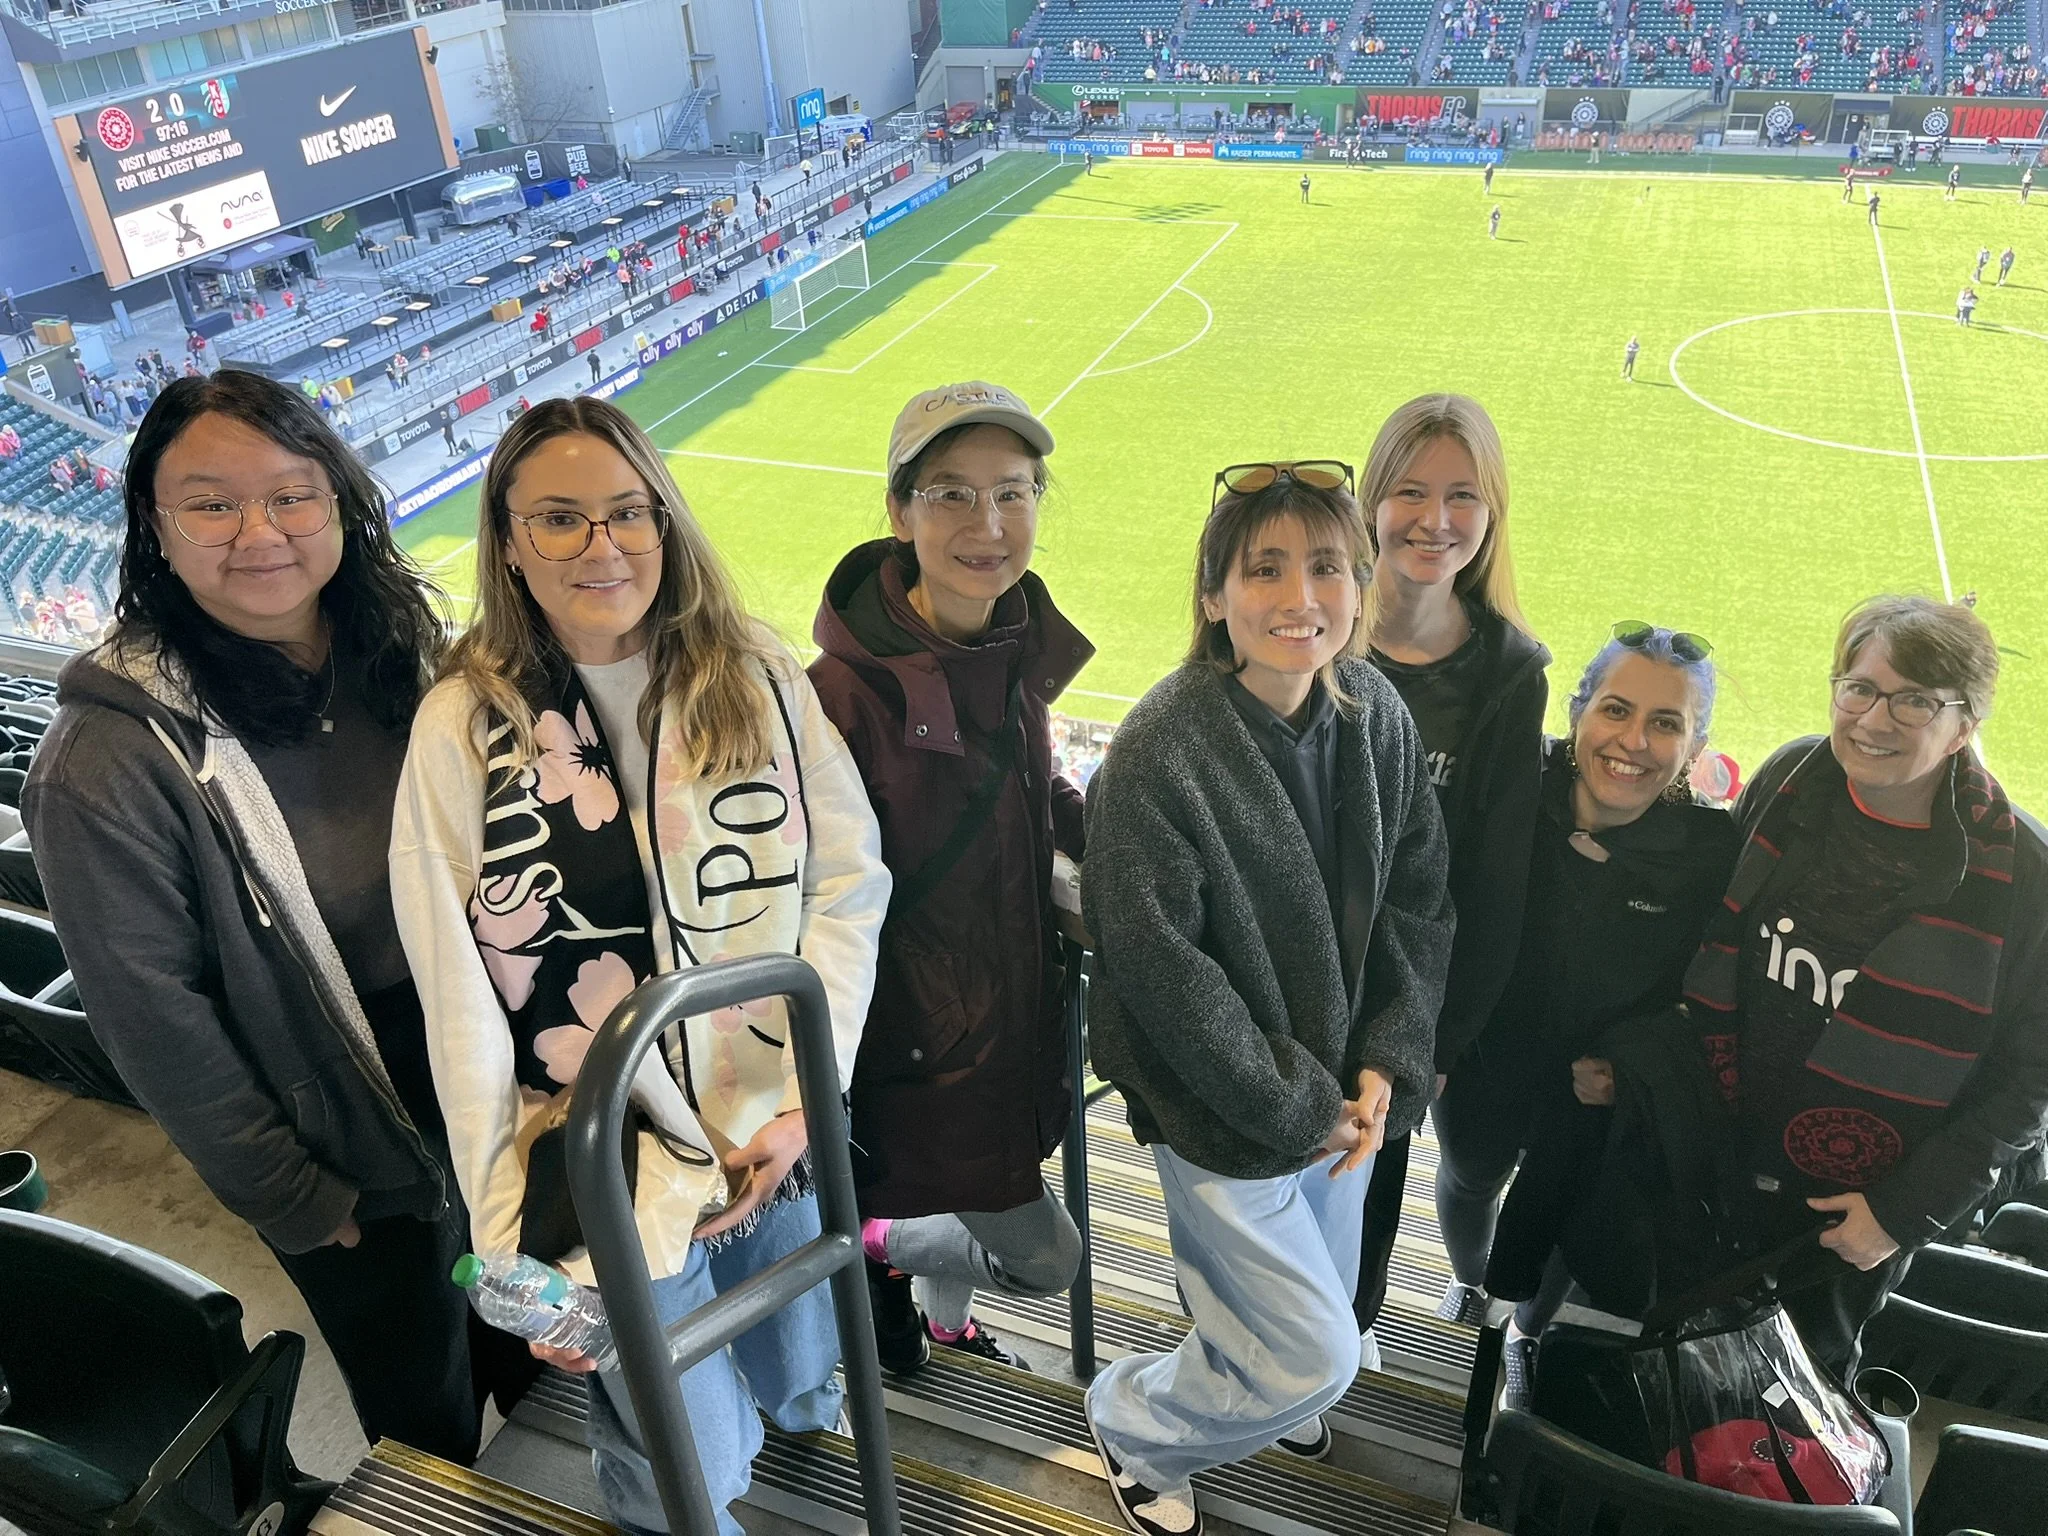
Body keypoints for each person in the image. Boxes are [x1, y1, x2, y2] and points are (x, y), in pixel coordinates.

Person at [389, 396, 891, 1536]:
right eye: (559, 520)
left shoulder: (753, 672)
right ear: (508, 540)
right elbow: (457, 996)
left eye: (628, 513)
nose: (601, 546)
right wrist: (507, 1241)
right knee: (686, 1458)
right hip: (608, 1164)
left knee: (801, 1366)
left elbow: (848, 881)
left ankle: (798, 1445)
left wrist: (818, 1093)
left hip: (772, 1124)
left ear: (665, 522)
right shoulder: (463, 726)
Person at [20, 371, 533, 1466]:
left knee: (537, 1342)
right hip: (335, 1130)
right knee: (424, 1402)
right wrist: (294, 1197)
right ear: (154, 529)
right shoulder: (105, 761)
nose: (259, 532)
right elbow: (153, 1018)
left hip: (486, 1074)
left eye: (292, 495)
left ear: (341, 502)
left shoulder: (397, 651)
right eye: (211, 503)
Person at [1080, 462, 1453, 1536]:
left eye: (1327, 566)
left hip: (1347, 1097)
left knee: (1307, 1319)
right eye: (1264, 569)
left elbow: (1418, 905)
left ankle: (1248, 1388)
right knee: (1314, 1354)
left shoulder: (1375, 711)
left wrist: (1384, 1058)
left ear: (1360, 581)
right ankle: (1136, 1424)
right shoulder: (1159, 750)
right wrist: (1293, 1102)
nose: (1300, 598)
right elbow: (1156, 967)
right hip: (1219, 1108)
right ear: (1212, 596)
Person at [1672, 596, 2048, 1378]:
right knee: (1667, 1344)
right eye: (1861, 688)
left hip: (1853, 1214)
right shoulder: (1791, 778)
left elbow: (2030, 1084)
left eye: (1916, 700)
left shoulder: (2026, 878)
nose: (1876, 718)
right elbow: (1714, 938)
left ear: (1966, 723)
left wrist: (1902, 1214)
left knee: (1791, 1399)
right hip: (1713, 1147)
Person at [810, 383, 1090, 1376]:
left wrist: (1128, 850)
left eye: (1012, 493)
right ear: (897, 511)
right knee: (1050, 1258)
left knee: (993, 1190)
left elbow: (1035, 793)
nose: (990, 524)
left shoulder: (1007, 641)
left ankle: (940, 1321)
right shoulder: (837, 702)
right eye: (952, 495)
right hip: (923, 1062)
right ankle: (881, 1238)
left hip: (1009, 1030)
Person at [1452, 623, 1737, 1406]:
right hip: (1484, 1060)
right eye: (1616, 709)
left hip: (1597, 1088)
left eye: (1666, 723)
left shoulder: (1712, 854)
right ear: (1577, 711)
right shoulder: (1508, 795)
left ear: (1695, 745)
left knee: (1560, 1216)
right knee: (1471, 1178)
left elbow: (1713, 991)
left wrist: (1634, 1062)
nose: (1633, 741)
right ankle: (1472, 1288)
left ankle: (1528, 1333)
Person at [1347, 396, 1549, 1363]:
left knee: (1370, 1194)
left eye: (1462, 495)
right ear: (1372, 500)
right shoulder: (1315, 623)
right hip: (1285, 984)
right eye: (1412, 492)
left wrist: (1444, 1035)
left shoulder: (1510, 671)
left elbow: (1496, 876)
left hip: (1405, 1005)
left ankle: (1342, 1341)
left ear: (1491, 510)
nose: (1436, 519)